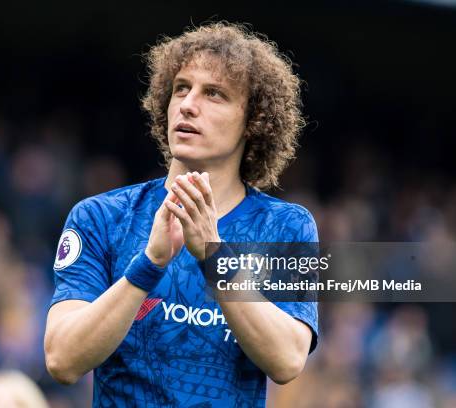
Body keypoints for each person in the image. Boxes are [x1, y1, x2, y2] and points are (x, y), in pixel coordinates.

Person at [44, 22, 318, 407]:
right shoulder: (100, 217)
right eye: (181, 89)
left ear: (253, 121)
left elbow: (287, 360)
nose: (188, 104)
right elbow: (62, 360)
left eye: (215, 94)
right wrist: (149, 264)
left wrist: (215, 256)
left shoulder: (287, 226)